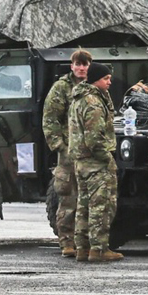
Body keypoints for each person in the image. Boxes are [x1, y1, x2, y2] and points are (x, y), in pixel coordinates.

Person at [68, 62, 122, 263]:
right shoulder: (93, 102)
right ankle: (98, 249)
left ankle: (82, 248)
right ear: (96, 80)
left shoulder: (79, 98)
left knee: (83, 206)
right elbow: (94, 139)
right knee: (101, 205)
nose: (109, 82)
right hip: (95, 162)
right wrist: (107, 158)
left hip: (81, 161)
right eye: (106, 78)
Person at [42, 49, 92, 258]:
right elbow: (50, 119)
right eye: (78, 64)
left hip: (89, 152)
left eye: (85, 64)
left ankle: (85, 241)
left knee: (89, 199)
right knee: (68, 199)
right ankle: (66, 242)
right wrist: (60, 147)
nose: (81, 68)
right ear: (71, 66)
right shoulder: (62, 88)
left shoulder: (94, 86)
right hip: (69, 152)